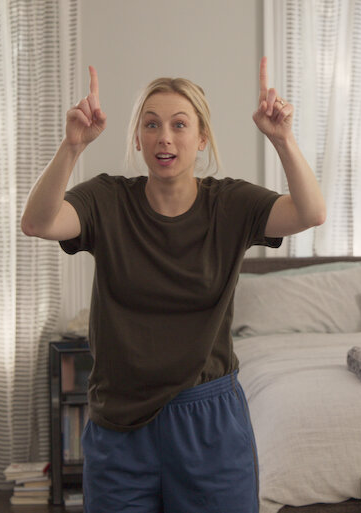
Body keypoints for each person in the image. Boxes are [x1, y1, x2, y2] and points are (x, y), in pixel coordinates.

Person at [20, 58, 325, 513]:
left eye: (179, 124)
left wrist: (282, 139)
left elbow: (310, 212)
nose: (164, 136)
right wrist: (72, 146)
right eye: (151, 124)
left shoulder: (230, 204)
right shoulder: (106, 199)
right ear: (137, 139)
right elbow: (37, 223)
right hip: (120, 423)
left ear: (201, 138)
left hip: (207, 422)